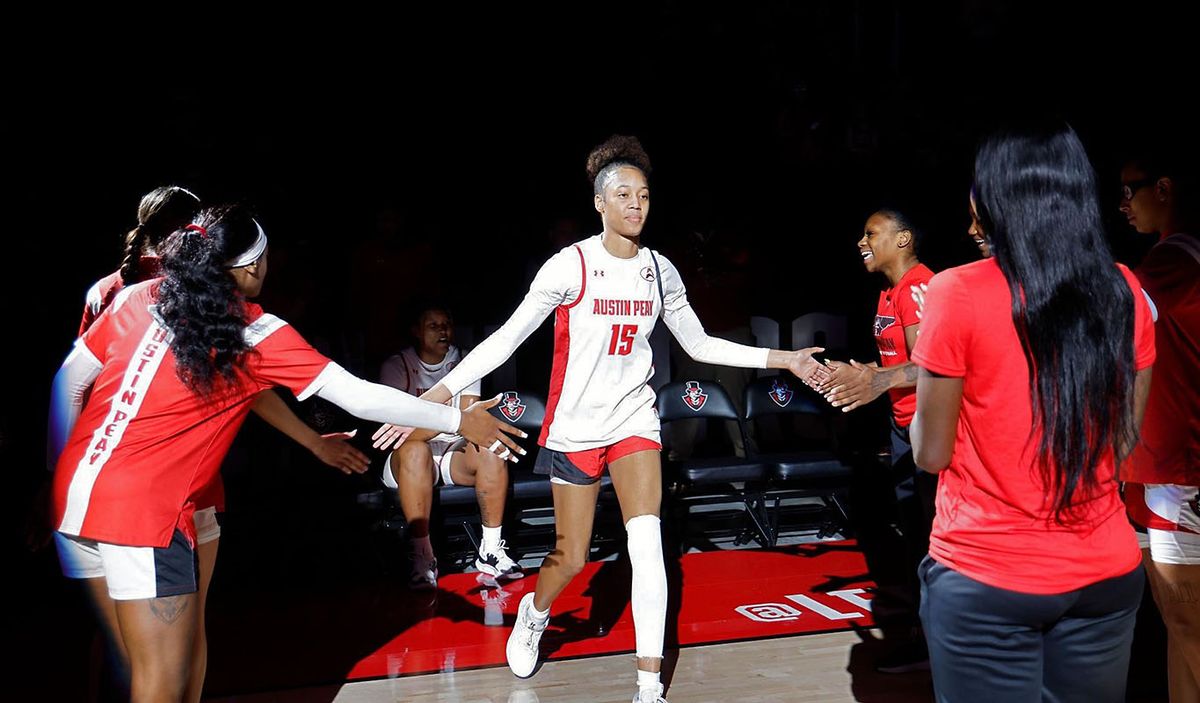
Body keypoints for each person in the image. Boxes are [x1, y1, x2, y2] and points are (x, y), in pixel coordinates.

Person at [377, 135, 828, 703]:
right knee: (570, 556)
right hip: (577, 426)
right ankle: (535, 613)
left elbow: (700, 344)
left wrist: (785, 359)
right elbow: (505, 340)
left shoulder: (659, 270)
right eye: (623, 194)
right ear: (600, 203)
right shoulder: (571, 266)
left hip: (635, 420)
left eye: (644, 195)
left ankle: (648, 689)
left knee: (648, 544)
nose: (636, 204)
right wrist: (431, 399)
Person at [49, 204, 523, 703]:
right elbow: (359, 397)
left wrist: (57, 472)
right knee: (161, 681)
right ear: (253, 267)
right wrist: (458, 420)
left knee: (134, 663)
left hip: (75, 494)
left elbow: (68, 383)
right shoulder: (254, 330)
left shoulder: (138, 297)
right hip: (145, 513)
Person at [911, 122, 1155, 702]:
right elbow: (1123, 442)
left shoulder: (957, 291)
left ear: (996, 197)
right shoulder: (1123, 289)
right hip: (1104, 572)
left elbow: (930, 453)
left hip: (987, 574)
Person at [819, 208, 936, 672]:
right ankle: (923, 636)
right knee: (915, 536)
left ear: (903, 238)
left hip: (929, 428)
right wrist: (863, 373)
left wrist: (878, 381)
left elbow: (932, 365)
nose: (861, 241)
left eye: (872, 233)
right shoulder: (888, 292)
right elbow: (898, 364)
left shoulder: (917, 287)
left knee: (932, 539)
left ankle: (937, 643)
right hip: (902, 427)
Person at [1119, 144, 1200, 702]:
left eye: (1130, 191)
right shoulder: (1166, 259)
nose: (1123, 205)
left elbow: (1117, 312)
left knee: (1189, 627)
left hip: (1178, 473)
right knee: (1178, 627)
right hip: (1151, 471)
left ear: (1164, 189)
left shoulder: (1180, 257)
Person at [380, 304, 522, 589]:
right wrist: (454, 421)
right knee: (415, 450)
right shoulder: (397, 366)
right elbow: (398, 432)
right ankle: (423, 556)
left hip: (452, 453)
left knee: (491, 446)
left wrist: (442, 422)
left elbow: (472, 419)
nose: (443, 331)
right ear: (416, 332)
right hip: (409, 456)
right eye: (433, 326)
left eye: (446, 324)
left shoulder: (466, 361)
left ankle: (491, 551)